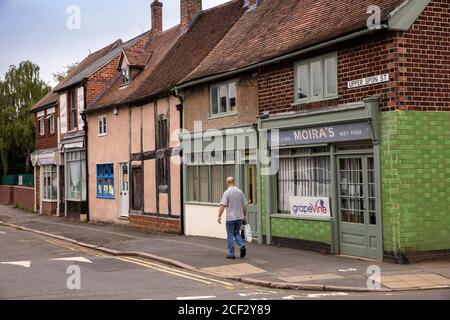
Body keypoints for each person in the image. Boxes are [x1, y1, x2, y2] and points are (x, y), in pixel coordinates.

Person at [217, 177, 248, 259]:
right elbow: (244, 205)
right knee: (236, 233)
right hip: (239, 217)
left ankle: (232, 254)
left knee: (230, 235)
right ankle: (242, 245)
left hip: (230, 218)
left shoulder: (227, 192)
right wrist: (245, 215)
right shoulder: (240, 192)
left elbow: (222, 205)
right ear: (234, 182)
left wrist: (219, 216)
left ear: (227, 182)